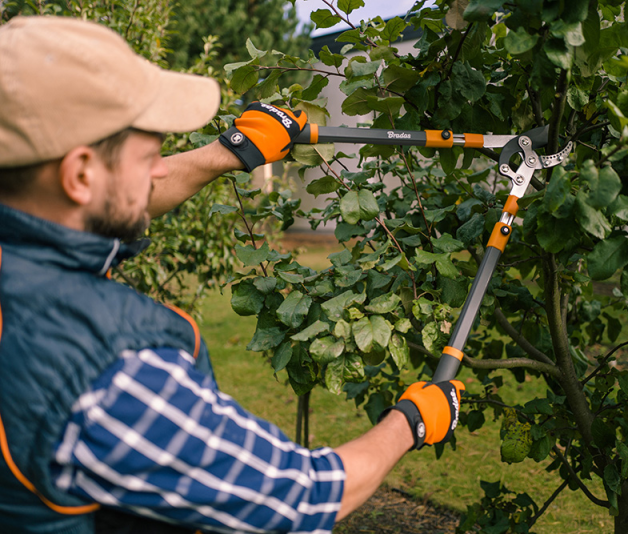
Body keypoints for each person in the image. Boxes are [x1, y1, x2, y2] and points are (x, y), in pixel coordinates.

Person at [0, 16, 464, 534]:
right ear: (80, 175)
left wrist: (229, 152)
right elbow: (302, 497)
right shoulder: (108, 375)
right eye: (151, 155)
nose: (160, 170)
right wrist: (412, 421)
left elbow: (115, 196)